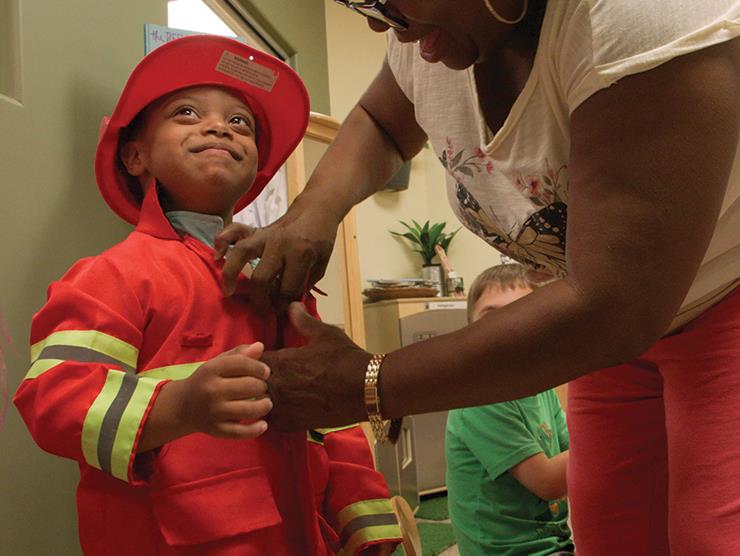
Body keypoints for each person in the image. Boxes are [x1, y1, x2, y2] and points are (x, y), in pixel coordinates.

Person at [213, 2, 740, 554]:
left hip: (719, 301)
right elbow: (383, 121)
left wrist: (367, 383)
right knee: (612, 535)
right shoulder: (424, 29)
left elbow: (612, 305)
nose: (375, 21)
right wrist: (311, 214)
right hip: (614, 341)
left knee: (715, 536)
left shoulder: (638, 15)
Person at [13, 35, 401, 556]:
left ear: (257, 167)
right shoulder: (112, 276)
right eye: (187, 113)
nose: (218, 126)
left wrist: (367, 525)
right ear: (135, 155)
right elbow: (52, 397)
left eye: (240, 122)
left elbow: (333, 408)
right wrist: (179, 406)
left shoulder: (278, 285)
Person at [445, 264, 571, 555]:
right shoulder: (480, 397)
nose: (508, 327)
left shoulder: (541, 389)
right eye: (493, 316)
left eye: (524, 314)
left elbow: (574, 453)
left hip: (552, 543)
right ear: (469, 331)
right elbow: (549, 482)